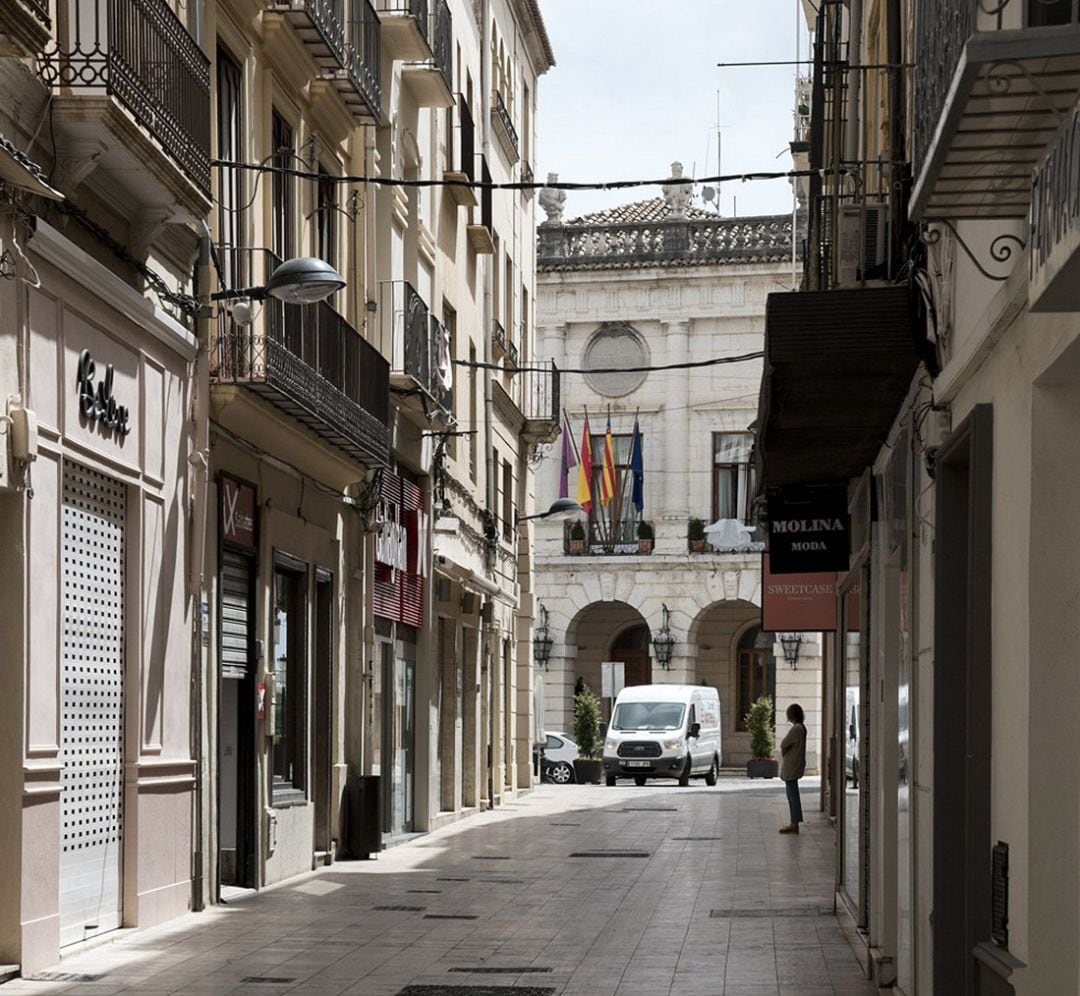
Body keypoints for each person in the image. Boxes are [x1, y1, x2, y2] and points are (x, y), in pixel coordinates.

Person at [779, 702, 807, 834]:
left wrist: (784, 751)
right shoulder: (802, 728)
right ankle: (794, 821)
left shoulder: (796, 729)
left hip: (792, 765)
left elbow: (784, 743)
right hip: (796, 764)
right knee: (792, 793)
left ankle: (794, 822)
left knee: (792, 795)